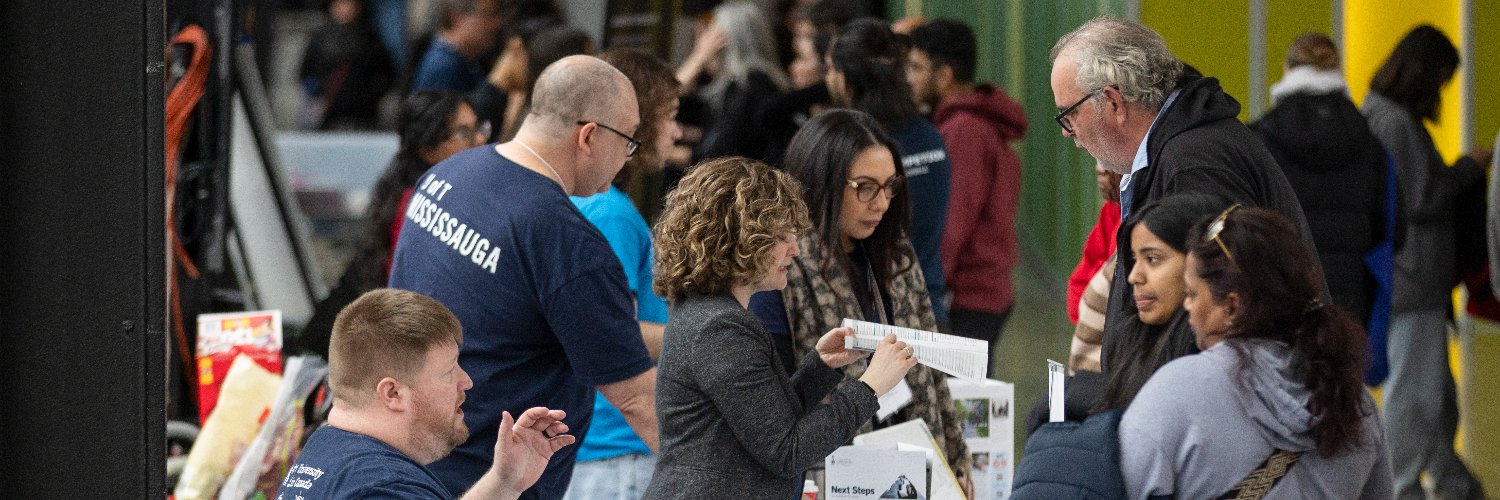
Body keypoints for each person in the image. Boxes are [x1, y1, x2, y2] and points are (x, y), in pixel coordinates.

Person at [388, 55, 658, 499]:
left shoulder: (446, 175)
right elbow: (637, 399)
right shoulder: (566, 242)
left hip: (408, 460)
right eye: (628, 140)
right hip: (487, 478)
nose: (628, 158)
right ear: (588, 136)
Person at [1047, 17, 1316, 383]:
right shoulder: (1180, 151)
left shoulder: (1194, 164)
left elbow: (1217, 311)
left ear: (1113, 101)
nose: (1068, 133)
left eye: (1069, 114)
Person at [644, 156, 918, 500]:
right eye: (781, 236)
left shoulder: (707, 315)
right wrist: (871, 387)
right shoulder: (721, 327)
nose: (795, 248)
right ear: (739, 241)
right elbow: (787, 450)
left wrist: (819, 368)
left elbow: (764, 422)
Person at [748, 109, 973, 494]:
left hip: (912, 457)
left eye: (890, 186)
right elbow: (777, 403)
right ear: (824, 183)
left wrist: (954, 459)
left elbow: (931, 366)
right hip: (831, 474)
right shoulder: (782, 268)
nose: (881, 203)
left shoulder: (894, 252)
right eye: (865, 187)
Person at [1120, 206, 1392, 498]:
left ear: (1233, 307)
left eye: (1192, 294)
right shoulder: (1353, 401)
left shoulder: (1176, 392)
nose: (1187, 306)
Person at [1361, 25, 1492, 500]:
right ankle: (1403, 485)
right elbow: (1422, 198)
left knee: (1434, 395)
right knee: (1416, 395)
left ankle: (1450, 480)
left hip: (1408, 278)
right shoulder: (1395, 122)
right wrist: (1468, 170)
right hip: (1414, 277)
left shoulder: (1381, 114)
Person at [282, 288, 576, 499]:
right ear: (393, 393)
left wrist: (504, 483)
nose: (466, 382)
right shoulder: (383, 487)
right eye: (449, 372)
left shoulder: (328, 450)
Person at [561, 48, 681, 500]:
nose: (675, 131)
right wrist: (700, 337)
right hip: (618, 449)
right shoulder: (609, 211)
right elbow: (613, 330)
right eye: (669, 116)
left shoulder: (593, 204)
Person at [300, 92, 488, 359]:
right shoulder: (419, 208)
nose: (480, 140)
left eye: (480, 128)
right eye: (464, 133)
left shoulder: (421, 194)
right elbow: (408, 303)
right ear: (428, 149)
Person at [1250, 32, 1391, 327]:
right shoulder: (1368, 137)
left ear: (1288, 71)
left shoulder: (1260, 136)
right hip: (1352, 286)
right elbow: (1390, 222)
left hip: (1281, 283)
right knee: (1342, 369)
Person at [907, 19, 1027, 357]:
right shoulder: (968, 124)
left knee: (963, 406)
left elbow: (951, 222)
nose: (909, 78)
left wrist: (925, 292)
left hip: (968, 297)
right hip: (980, 294)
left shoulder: (964, 131)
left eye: (916, 67)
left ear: (944, 74)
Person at [826, 18, 951, 324]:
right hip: (927, 305)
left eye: (829, 69)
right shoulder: (930, 136)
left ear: (846, 78)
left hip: (873, 316)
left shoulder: (853, 149)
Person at [1095, 193, 1227, 410]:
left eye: (1153, 259)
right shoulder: (1131, 336)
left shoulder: (1213, 362)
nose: (1134, 276)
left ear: (1199, 264)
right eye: (1134, 259)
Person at [678, 1, 789, 161]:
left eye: (710, 37)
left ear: (727, 43)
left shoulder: (752, 86)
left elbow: (718, 152)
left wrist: (698, 58)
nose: (702, 44)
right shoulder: (742, 84)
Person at [297, 0, 394, 130]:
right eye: (340, 4)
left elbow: (387, 73)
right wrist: (317, 95)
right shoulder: (320, 38)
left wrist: (372, 95)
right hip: (326, 116)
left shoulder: (371, 39)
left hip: (363, 117)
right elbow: (305, 72)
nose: (345, 9)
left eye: (349, 4)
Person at [410, 0, 504, 93]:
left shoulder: (466, 59)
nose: (497, 24)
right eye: (488, 15)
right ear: (458, 18)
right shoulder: (444, 68)